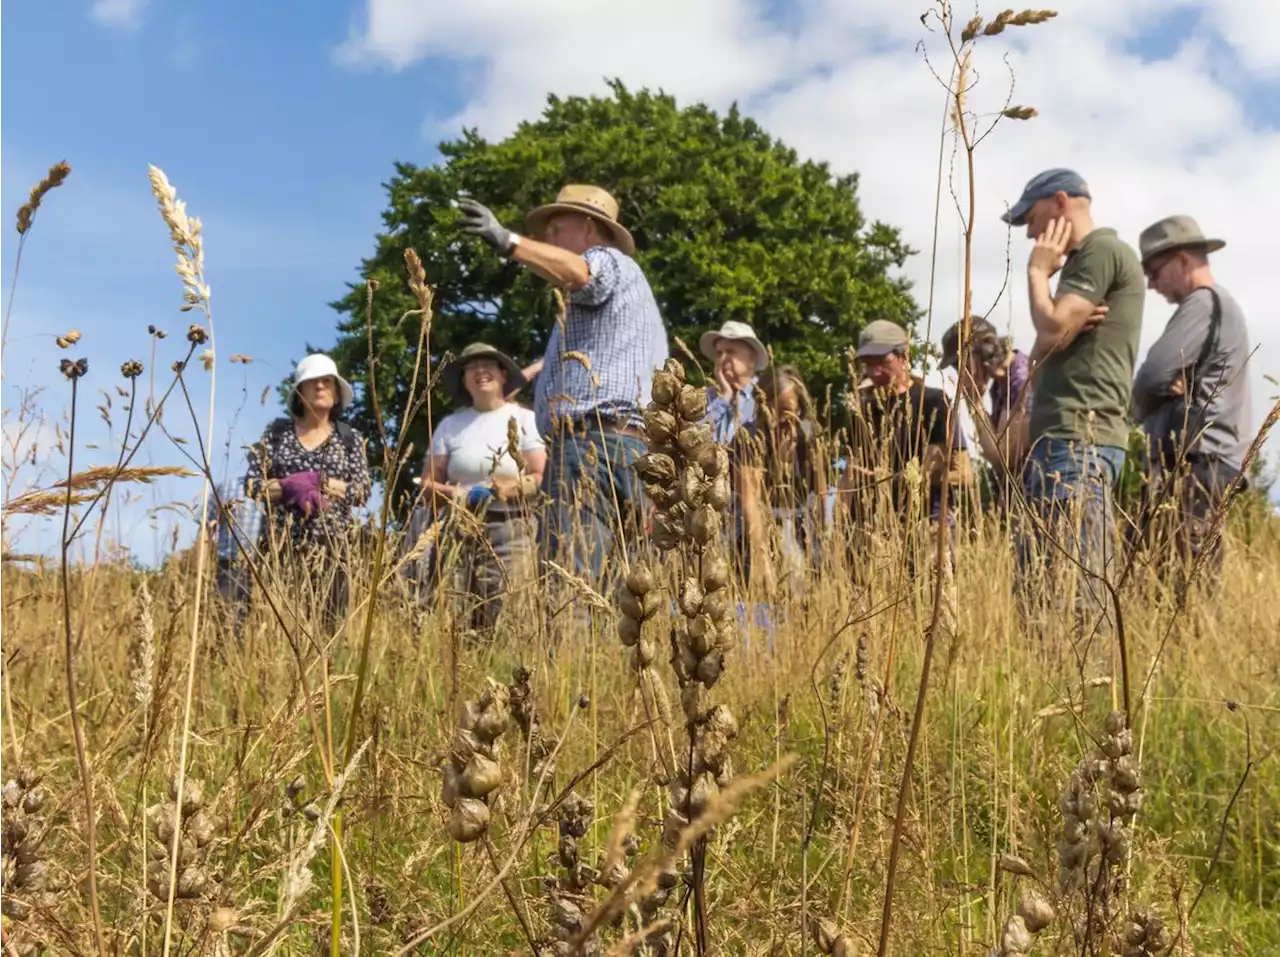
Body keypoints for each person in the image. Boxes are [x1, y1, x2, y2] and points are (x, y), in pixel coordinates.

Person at [456, 185, 668, 585]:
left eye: (555, 230)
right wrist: (539, 372)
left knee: (570, 586)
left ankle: (568, 651)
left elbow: (580, 272)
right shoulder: (635, 297)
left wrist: (508, 241)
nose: (546, 240)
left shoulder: (603, 260)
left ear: (589, 228)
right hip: (636, 453)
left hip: (588, 449)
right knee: (624, 592)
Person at [1002, 168, 1144, 624]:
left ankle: (1085, 693)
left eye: (1032, 216)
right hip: (1066, 441)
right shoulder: (1088, 262)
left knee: (1072, 591)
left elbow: (1052, 333)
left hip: (1076, 440)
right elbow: (1049, 342)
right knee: (1041, 588)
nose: (1032, 233)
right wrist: (1056, 324)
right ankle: (1060, 687)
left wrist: (1037, 273)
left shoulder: (1099, 251)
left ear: (1060, 201)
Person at [1131, 215, 1252, 591]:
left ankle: (1196, 650)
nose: (1151, 285)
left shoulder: (1203, 303)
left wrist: (1142, 406)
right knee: (1178, 578)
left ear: (1182, 260)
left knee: (1186, 586)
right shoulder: (1219, 307)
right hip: (1208, 462)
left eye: (1154, 271)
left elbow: (1151, 375)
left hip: (1199, 462)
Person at [420, 342, 547, 637]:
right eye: (471, 367)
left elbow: (542, 475)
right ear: (464, 380)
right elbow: (427, 484)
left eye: (488, 365)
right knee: (455, 610)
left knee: (509, 610)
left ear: (504, 374)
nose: (480, 371)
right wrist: (459, 494)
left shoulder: (525, 419)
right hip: (457, 527)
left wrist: (511, 487)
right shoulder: (450, 426)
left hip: (512, 525)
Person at [245, 353, 372, 634]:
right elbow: (253, 484)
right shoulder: (277, 433)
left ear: (337, 394)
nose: (320, 387)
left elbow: (362, 490)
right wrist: (291, 486)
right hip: (280, 548)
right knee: (278, 629)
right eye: (312, 382)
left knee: (328, 630)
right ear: (299, 393)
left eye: (327, 381)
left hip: (333, 549)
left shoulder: (349, 438)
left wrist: (320, 482)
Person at [840, 320, 971, 543]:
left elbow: (961, 472)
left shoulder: (933, 402)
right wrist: (838, 529)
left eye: (882, 361)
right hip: (873, 532)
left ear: (903, 357)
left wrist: (887, 479)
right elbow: (850, 475)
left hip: (928, 525)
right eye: (867, 364)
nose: (874, 371)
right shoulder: (863, 411)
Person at [734, 364, 827, 595]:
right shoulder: (748, 438)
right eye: (771, 411)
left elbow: (822, 497)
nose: (777, 421)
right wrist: (762, 557)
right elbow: (751, 503)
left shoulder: (810, 437)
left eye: (787, 412)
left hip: (800, 529)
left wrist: (823, 549)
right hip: (753, 530)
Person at [940, 316, 1033, 506]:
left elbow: (1001, 455)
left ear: (978, 353)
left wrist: (973, 400)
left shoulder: (1020, 381)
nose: (959, 372)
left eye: (959, 363)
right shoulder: (1000, 385)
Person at [206, 469, 262, 648]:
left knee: (262, 626)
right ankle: (225, 665)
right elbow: (207, 527)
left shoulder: (283, 489)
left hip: (267, 568)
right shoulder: (228, 486)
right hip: (229, 566)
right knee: (227, 623)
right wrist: (197, 569)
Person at [699, 320, 768, 445]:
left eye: (730, 351)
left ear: (752, 358)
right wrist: (725, 397)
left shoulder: (767, 394)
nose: (722, 359)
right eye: (719, 353)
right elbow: (695, 437)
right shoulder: (706, 397)